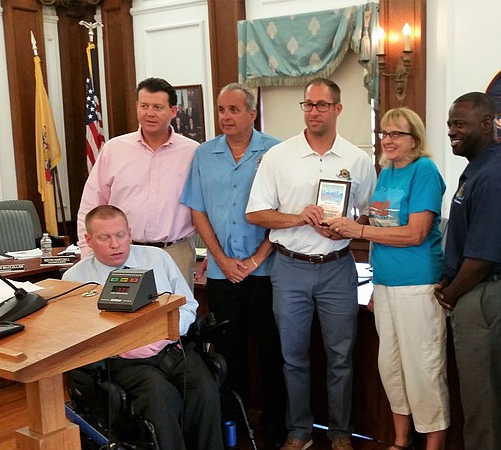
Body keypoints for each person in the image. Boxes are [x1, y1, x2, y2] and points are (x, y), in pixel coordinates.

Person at [245, 78, 376, 450]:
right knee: (293, 357)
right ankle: (299, 431)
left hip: (338, 267)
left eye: (321, 105)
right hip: (290, 269)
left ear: (338, 109)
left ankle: (340, 434)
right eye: (308, 104)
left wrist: (350, 228)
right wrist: (297, 217)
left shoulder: (358, 160)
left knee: (341, 358)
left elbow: (369, 217)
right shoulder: (279, 157)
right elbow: (256, 214)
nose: (314, 111)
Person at [327, 107, 448, 450]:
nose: (388, 140)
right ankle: (399, 441)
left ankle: (433, 445)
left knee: (423, 369)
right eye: (384, 133)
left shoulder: (424, 171)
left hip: (417, 285)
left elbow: (416, 233)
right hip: (386, 285)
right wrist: (343, 224)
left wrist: (359, 229)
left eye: (397, 134)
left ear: (415, 140)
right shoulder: (387, 172)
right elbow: (378, 224)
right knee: (391, 368)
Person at [63, 205, 223, 450]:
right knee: (159, 396)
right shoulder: (75, 279)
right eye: (104, 237)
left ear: (129, 233)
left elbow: (188, 305)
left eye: (120, 235)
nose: (115, 244)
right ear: (89, 240)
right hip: (124, 360)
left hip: (170, 347)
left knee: (203, 389)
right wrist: (122, 347)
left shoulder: (156, 258)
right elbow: (79, 335)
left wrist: (167, 333)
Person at [180, 83, 287, 447]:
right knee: (228, 355)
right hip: (221, 272)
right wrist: (222, 260)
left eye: (234, 110)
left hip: (267, 272)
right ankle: (234, 425)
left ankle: (276, 426)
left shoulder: (275, 151)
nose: (226, 116)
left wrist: (256, 258)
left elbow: (283, 215)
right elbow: (198, 211)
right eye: (222, 110)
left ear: (252, 114)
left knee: (272, 350)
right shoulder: (204, 154)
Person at [434, 92, 501, 450]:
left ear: (487, 125)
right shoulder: (478, 170)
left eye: (460, 124)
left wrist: (450, 294)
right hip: (473, 291)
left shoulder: (495, 177)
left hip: (484, 294)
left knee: (484, 401)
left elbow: (483, 257)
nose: (452, 132)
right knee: (477, 398)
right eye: (450, 125)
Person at [77, 77, 198, 288]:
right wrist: (88, 251)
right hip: (122, 253)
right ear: (136, 107)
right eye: (144, 106)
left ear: (173, 111)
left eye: (158, 107)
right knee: (121, 316)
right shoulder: (114, 149)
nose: (150, 113)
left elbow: (204, 208)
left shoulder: (193, 152)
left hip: (175, 252)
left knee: (177, 315)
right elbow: (91, 205)